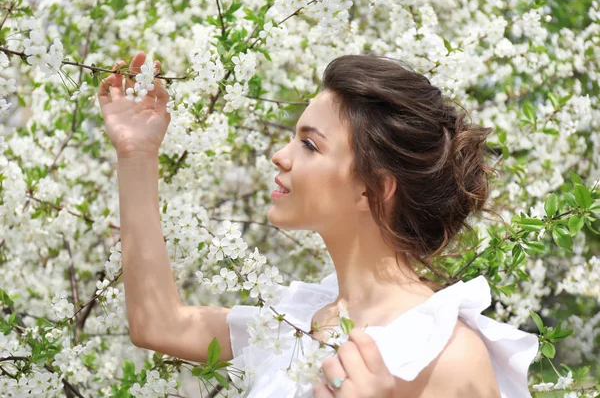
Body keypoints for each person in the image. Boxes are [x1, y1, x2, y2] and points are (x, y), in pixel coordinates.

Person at [98, 51, 538, 397]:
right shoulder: (294, 322)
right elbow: (158, 323)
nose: (280, 155)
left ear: (373, 189)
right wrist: (137, 155)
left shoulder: (446, 354)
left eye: (309, 144)